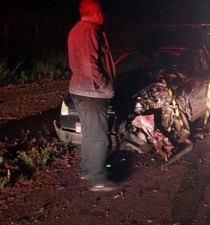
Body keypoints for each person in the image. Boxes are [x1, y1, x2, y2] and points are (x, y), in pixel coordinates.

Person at [67, 0, 117, 192]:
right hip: (92, 92)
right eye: (101, 12)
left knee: (88, 133)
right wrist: (105, 85)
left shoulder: (76, 30)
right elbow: (90, 65)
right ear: (96, 13)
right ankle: (98, 179)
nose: (103, 16)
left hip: (79, 90)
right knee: (98, 137)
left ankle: (87, 170)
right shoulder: (89, 30)